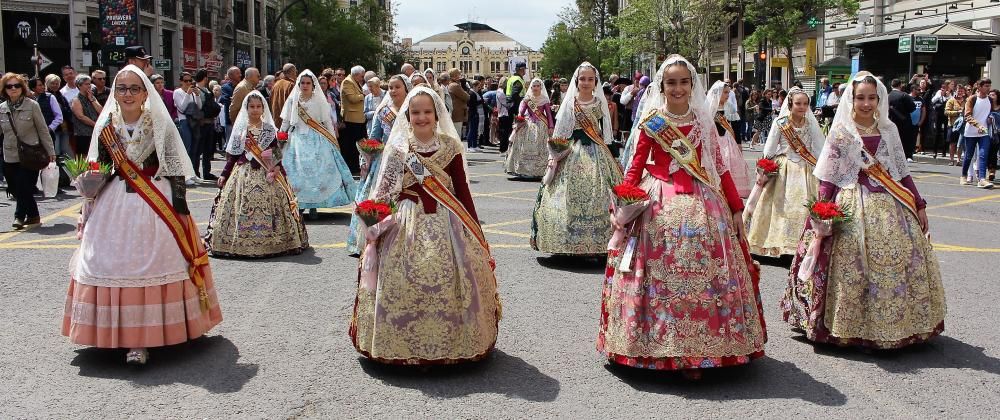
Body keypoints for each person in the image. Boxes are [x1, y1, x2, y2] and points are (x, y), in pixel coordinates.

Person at [599, 55, 764, 378]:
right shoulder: (652, 121)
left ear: (692, 85)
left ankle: (703, 348)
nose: (678, 88)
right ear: (662, 86)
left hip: (704, 201)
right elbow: (635, 167)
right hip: (658, 200)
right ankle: (659, 345)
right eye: (671, 83)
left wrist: (735, 208)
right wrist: (623, 206)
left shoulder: (704, 121)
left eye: (683, 82)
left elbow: (720, 167)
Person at [63, 65, 222, 364]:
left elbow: (174, 167)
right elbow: (102, 166)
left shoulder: (158, 122)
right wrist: (89, 185)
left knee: (156, 262)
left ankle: (146, 338)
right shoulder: (107, 124)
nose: (128, 94)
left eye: (135, 88)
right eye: (122, 88)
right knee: (108, 262)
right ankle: (115, 335)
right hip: (115, 203)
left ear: (145, 92)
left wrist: (181, 209)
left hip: (155, 200)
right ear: (114, 91)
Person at [783, 71, 945, 350]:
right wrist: (821, 211)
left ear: (879, 99)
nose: (867, 103)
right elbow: (829, 177)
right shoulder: (842, 131)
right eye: (861, 98)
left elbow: (902, 172)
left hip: (891, 205)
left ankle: (896, 324)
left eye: (872, 98)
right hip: (851, 202)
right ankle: (846, 325)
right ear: (852, 100)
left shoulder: (889, 130)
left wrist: (919, 204)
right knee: (850, 267)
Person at [349, 86, 500, 365]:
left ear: (436, 114)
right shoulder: (398, 149)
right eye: (416, 112)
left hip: (447, 217)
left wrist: (476, 231)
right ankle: (400, 343)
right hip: (407, 219)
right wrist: (372, 225)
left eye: (427, 112)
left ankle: (456, 342)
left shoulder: (451, 146)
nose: (422, 117)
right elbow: (384, 193)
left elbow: (462, 192)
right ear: (407, 115)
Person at [530, 62, 622, 255]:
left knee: (602, 192)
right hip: (573, 151)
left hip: (597, 151)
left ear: (595, 82)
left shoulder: (599, 102)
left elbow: (605, 132)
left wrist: (614, 155)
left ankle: (602, 241)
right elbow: (561, 130)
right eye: (582, 79)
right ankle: (567, 240)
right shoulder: (570, 103)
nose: (586, 83)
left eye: (590, 79)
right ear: (577, 81)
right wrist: (553, 155)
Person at [205, 91, 309, 258]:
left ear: (263, 109)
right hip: (243, 172)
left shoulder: (269, 130)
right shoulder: (240, 130)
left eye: (258, 107)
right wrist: (224, 174)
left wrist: (279, 171)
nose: (255, 110)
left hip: (266, 172)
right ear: (246, 109)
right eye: (252, 107)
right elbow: (233, 156)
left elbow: (276, 154)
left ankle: (275, 243)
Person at [744, 87, 824, 257]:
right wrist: (766, 166)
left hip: (806, 167)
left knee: (804, 205)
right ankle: (778, 243)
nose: (802, 107)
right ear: (790, 104)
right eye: (798, 104)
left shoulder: (811, 124)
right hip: (784, 167)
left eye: (805, 104)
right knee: (780, 206)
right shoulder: (780, 123)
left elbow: (818, 148)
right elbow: (770, 149)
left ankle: (803, 244)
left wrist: (821, 169)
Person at [347, 74, 411, 257]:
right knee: (379, 197)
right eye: (390, 87)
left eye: (397, 87)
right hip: (384, 161)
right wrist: (368, 152)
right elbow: (375, 137)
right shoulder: (383, 112)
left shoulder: (412, 110)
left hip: (408, 160)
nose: (393, 91)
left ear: (406, 89)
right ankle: (374, 238)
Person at [280, 70, 357, 219]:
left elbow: (327, 121)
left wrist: (333, 140)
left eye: (308, 83)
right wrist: (281, 136)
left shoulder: (319, 100)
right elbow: (286, 121)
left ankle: (315, 206)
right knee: (296, 174)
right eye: (302, 83)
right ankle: (300, 204)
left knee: (318, 174)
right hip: (296, 139)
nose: (305, 85)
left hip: (317, 139)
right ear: (299, 84)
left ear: (313, 84)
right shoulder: (293, 100)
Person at [0, 72, 56, 229]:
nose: (13, 89)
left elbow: (43, 130)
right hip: (10, 154)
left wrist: (51, 151)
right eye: (9, 86)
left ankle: (19, 216)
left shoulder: (32, 105)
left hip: (31, 154)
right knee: (14, 188)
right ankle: (33, 215)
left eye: (16, 85)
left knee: (23, 186)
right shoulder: (2, 108)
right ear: (4, 89)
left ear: (22, 87)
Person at [707, 81, 752, 197]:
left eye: (728, 92)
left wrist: (739, 144)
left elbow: (736, 126)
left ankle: (731, 189)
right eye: (725, 92)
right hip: (714, 139)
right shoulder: (710, 107)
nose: (727, 95)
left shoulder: (730, 106)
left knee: (729, 163)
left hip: (727, 139)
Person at [505, 78, 553, 178]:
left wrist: (551, 127)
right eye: (534, 86)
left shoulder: (544, 100)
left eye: (537, 86)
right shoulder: (527, 99)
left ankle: (539, 171)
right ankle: (523, 170)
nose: (535, 88)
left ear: (541, 87)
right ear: (531, 87)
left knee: (541, 147)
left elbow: (548, 115)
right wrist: (519, 118)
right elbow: (521, 112)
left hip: (541, 125)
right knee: (523, 146)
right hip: (528, 124)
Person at [962, 79, 995, 188]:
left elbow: (992, 113)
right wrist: (978, 125)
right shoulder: (972, 99)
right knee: (969, 155)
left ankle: (981, 179)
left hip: (984, 132)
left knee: (983, 155)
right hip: (971, 132)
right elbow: (967, 116)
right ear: (979, 87)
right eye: (986, 86)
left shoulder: (990, 100)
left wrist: (991, 118)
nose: (988, 88)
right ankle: (963, 175)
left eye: (989, 86)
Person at [173, 72, 202, 184]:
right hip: (184, 121)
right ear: (181, 81)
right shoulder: (177, 92)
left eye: (190, 81)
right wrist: (187, 94)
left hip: (194, 122)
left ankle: (192, 173)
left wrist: (198, 95)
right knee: (187, 148)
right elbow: (182, 107)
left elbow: (198, 107)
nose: (189, 83)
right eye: (186, 81)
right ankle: (185, 176)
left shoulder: (193, 93)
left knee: (195, 149)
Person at [340, 66, 366, 174]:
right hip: (352, 119)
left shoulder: (354, 81)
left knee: (358, 143)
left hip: (358, 118)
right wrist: (364, 95)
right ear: (356, 74)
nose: (362, 78)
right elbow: (353, 99)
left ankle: (357, 165)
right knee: (352, 145)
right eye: (362, 76)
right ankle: (352, 167)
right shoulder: (347, 82)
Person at [69, 74, 104, 158]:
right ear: (79, 86)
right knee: (84, 157)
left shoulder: (92, 97)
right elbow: (81, 117)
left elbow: (101, 111)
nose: (89, 86)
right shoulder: (76, 100)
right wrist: (95, 124)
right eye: (86, 84)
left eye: (89, 83)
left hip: (94, 133)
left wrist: (92, 99)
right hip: (83, 134)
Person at [888, 79, 917, 160]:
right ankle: (907, 155)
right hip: (904, 122)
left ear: (891, 86)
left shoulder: (888, 96)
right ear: (900, 85)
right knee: (905, 139)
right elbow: (912, 108)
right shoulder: (904, 95)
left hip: (890, 122)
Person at [46, 74, 73, 157]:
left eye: (57, 83)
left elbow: (68, 110)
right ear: (47, 84)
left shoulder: (61, 96)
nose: (55, 85)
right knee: (56, 150)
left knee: (66, 149)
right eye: (52, 83)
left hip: (64, 127)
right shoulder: (46, 97)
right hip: (53, 128)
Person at [944, 84, 967, 166]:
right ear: (955, 91)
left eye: (961, 91)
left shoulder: (966, 101)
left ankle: (958, 159)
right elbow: (946, 112)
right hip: (953, 125)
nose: (960, 92)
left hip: (963, 125)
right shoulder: (951, 100)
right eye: (958, 91)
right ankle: (951, 160)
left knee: (960, 143)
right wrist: (957, 112)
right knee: (952, 143)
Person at [271, 64, 297, 128]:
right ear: (292, 72)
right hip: (287, 123)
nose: (296, 74)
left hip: (276, 120)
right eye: (295, 72)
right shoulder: (291, 85)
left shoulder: (276, 84)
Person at [465, 77, 482, 152]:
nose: (479, 88)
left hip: (475, 112)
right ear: (474, 86)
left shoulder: (475, 93)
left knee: (475, 129)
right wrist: (481, 101)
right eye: (478, 86)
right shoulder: (471, 93)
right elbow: (472, 104)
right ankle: (469, 146)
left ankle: (474, 145)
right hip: (472, 113)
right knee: (471, 129)